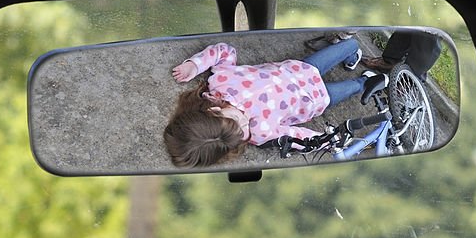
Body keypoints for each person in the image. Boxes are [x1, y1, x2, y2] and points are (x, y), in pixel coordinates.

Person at [163, 38, 387, 168]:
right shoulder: (260, 133)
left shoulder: (220, 82)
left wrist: (195, 65)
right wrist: (325, 141)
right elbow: (296, 136)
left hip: (300, 67)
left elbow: (224, 51)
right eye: (242, 132)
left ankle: (352, 54)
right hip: (317, 98)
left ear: (213, 108)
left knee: (350, 44)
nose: (245, 123)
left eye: (237, 120)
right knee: (356, 87)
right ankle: (365, 82)